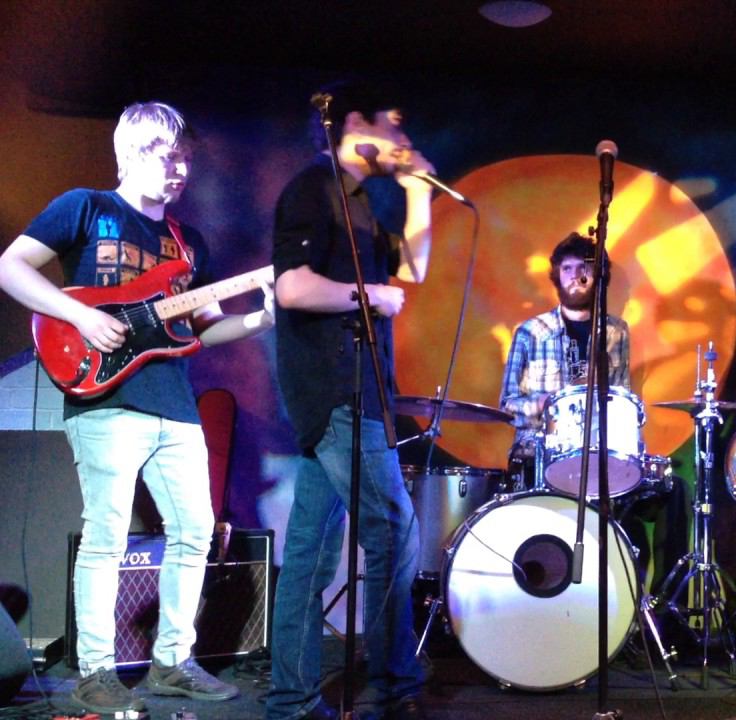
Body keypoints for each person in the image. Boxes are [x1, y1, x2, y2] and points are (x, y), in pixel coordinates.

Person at [0, 102, 271, 714]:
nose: (179, 169)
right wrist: (80, 315)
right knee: (108, 535)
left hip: (174, 401)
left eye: (186, 158)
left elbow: (206, 328)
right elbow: (11, 267)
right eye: (167, 155)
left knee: (195, 532)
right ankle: (96, 672)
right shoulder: (85, 207)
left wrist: (263, 317)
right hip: (106, 397)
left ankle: (173, 662)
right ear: (132, 150)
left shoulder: (188, 243)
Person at [265, 80, 434, 720]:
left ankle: (290, 699)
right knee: (392, 528)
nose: (404, 138)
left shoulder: (359, 202)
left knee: (309, 552)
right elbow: (292, 288)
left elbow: (412, 269)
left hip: (356, 391)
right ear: (356, 123)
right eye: (395, 125)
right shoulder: (313, 188)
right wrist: (368, 297)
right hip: (336, 392)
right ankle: (393, 685)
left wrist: (419, 190)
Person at [499, 231, 631, 471]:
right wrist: (541, 404)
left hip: (595, 452)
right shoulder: (530, 332)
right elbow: (507, 405)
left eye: (583, 267)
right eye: (567, 268)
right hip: (537, 453)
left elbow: (622, 399)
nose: (575, 276)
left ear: (598, 275)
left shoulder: (616, 332)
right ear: (557, 276)